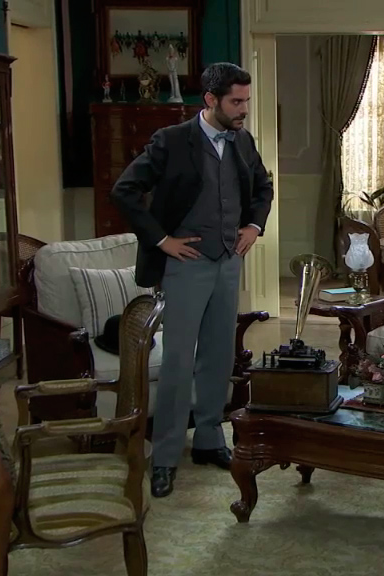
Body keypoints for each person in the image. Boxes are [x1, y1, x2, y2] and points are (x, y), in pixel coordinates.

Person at [111, 62, 273, 498]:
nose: (243, 110)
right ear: (211, 100)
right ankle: (165, 457)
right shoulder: (171, 140)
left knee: (219, 356)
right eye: (236, 102)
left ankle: (207, 439)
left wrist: (253, 226)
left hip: (228, 262)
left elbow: (263, 187)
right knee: (179, 361)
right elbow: (124, 191)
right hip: (185, 265)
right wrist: (162, 240)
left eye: (246, 101)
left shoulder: (243, 140)